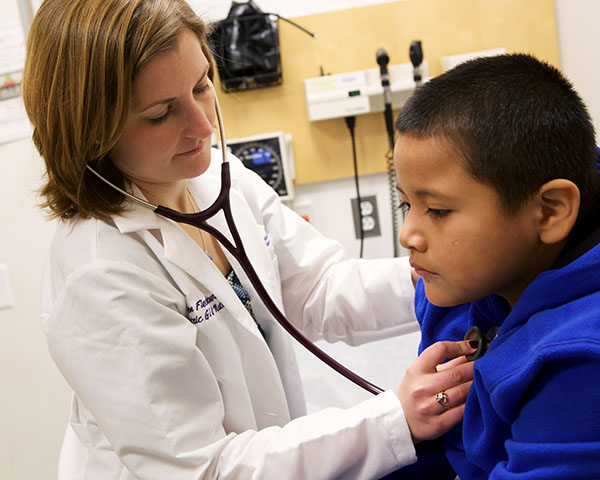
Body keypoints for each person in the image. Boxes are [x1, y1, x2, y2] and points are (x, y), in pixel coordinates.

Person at [22, 0, 477, 478]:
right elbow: (205, 468)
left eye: (201, 86)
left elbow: (318, 289)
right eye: (160, 114)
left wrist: (451, 271)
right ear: (90, 130)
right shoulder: (100, 274)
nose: (201, 125)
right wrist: (393, 419)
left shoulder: (221, 180)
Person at [389, 53, 600, 479]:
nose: (407, 235)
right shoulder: (461, 284)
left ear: (550, 211)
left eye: (439, 211)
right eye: (406, 204)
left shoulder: (579, 363)